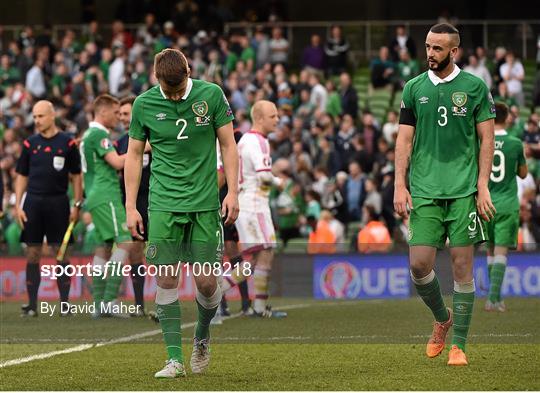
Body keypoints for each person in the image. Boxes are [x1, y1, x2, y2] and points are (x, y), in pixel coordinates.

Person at [124, 48, 239, 378]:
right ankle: (173, 358)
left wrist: (232, 190)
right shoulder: (143, 104)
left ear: (189, 71)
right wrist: (131, 207)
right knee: (166, 277)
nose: (174, 95)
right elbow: (133, 156)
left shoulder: (211, 94)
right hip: (162, 204)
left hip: (204, 204)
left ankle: (202, 336)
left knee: (205, 282)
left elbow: (229, 146)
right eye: (168, 89)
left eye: (179, 88)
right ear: (156, 77)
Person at [394, 23, 496, 366]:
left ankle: (460, 346)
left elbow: (487, 140)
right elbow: (404, 140)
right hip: (424, 190)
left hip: (464, 189)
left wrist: (482, 185)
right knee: (419, 264)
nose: (430, 54)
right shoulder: (413, 88)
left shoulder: (475, 88)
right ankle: (442, 318)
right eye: (427, 47)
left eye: (437, 49)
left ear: (454, 51)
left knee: (462, 266)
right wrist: (399, 183)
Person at [15, 100, 83, 317]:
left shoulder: (68, 143)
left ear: (52, 115)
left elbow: (77, 176)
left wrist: (77, 204)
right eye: (34, 117)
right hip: (33, 202)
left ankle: (65, 304)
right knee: (32, 253)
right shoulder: (29, 143)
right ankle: (32, 305)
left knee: (61, 253)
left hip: (58, 203)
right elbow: (21, 176)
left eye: (40, 116)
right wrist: (18, 205)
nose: (36, 121)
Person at [80, 94, 133, 318]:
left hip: (94, 193)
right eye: (114, 112)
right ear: (102, 112)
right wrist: (145, 148)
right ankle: (109, 301)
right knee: (125, 242)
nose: (117, 117)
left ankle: (98, 304)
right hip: (106, 194)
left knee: (103, 247)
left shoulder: (88, 135)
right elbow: (117, 162)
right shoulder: (99, 134)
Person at [234, 100, 287, 318]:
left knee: (253, 260)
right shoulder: (258, 142)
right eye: (273, 116)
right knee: (265, 254)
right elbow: (264, 175)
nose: (278, 119)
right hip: (254, 206)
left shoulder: (246, 140)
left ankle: (256, 306)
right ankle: (214, 291)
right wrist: (278, 182)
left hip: (246, 204)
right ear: (259, 118)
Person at [485, 102, 528, 312]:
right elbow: (523, 174)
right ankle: (493, 299)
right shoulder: (515, 143)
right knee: (501, 251)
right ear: (508, 118)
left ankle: (495, 298)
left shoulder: (483, 141)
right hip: (507, 203)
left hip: (486, 203)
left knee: (491, 250)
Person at [115, 96, 148, 316]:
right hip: (133, 201)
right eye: (120, 114)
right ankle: (139, 305)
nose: (122, 118)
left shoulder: (152, 133)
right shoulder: (119, 142)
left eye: (126, 114)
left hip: (156, 199)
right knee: (136, 252)